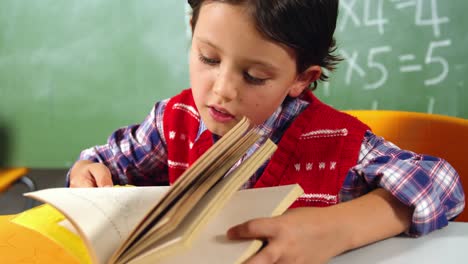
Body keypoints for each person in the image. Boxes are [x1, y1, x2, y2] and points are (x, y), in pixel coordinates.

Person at [68, 0, 465, 263]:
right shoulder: (175, 121)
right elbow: (103, 161)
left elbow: (442, 184)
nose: (221, 90)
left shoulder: (333, 144)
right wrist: (88, 170)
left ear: (301, 79)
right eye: (208, 57)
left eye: (255, 76)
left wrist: (338, 229)